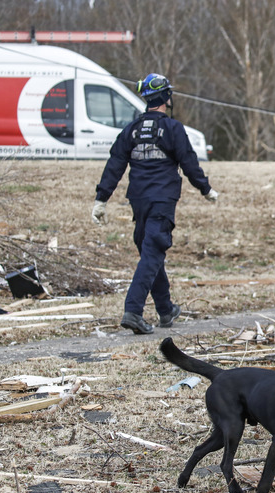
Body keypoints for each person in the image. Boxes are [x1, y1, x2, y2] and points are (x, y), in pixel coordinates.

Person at [91, 73, 218, 334]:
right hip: (162, 201)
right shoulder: (172, 129)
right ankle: (133, 311)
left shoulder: (132, 130)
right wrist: (206, 189)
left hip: (138, 201)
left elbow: (115, 164)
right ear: (166, 98)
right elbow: (189, 163)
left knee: (150, 252)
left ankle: (165, 309)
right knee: (152, 253)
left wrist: (101, 199)